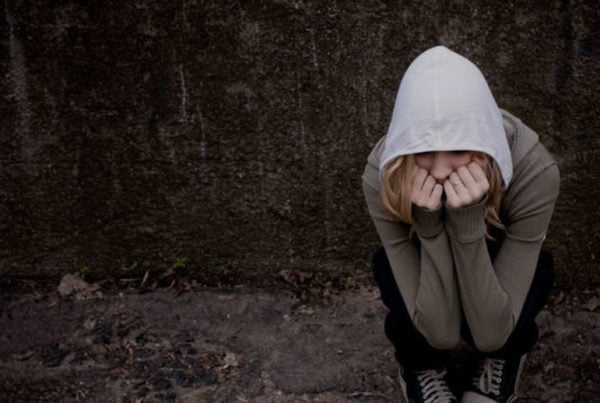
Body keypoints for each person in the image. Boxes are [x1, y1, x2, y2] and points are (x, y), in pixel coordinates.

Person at [362, 46, 559, 403]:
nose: (440, 171)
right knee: (391, 270)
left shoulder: (535, 172)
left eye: (459, 149)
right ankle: (420, 365)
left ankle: (503, 361)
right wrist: (429, 227)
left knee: (534, 272)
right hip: (427, 270)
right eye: (423, 151)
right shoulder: (383, 175)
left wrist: (467, 225)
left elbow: (490, 334)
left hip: (492, 272)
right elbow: (441, 333)